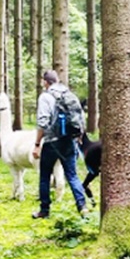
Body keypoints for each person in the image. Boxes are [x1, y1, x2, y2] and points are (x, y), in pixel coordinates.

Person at [31, 70, 88, 219]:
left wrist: (37, 143)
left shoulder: (46, 96)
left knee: (45, 176)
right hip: (68, 140)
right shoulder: (69, 95)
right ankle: (83, 208)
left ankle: (44, 210)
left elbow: (42, 122)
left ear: (45, 82)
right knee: (73, 175)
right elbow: (80, 118)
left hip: (51, 142)